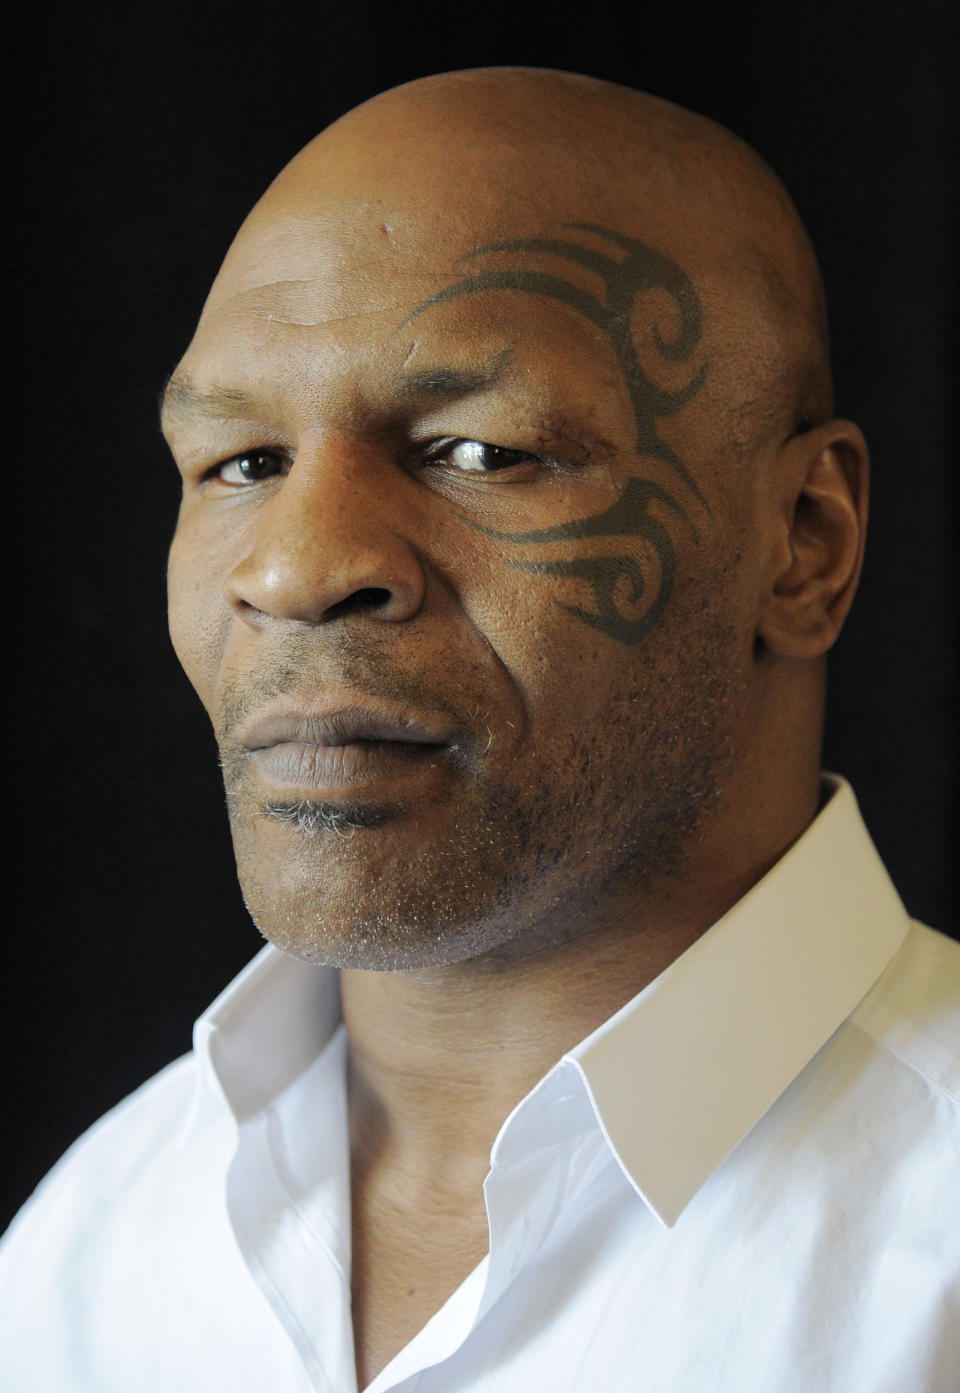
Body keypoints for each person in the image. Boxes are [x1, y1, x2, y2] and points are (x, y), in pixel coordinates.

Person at [1, 66, 957, 1392]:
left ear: (804, 543)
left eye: (481, 449)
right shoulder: (84, 1261)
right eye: (241, 464)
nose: (293, 568)